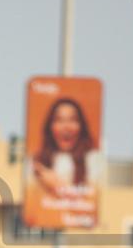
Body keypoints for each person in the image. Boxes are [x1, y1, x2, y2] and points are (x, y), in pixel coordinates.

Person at [25, 97, 102, 229]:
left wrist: (57, 186)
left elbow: (91, 216)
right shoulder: (35, 161)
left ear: (81, 126)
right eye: (59, 120)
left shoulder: (93, 160)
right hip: (43, 233)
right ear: (50, 126)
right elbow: (31, 214)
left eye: (72, 120)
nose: (66, 126)